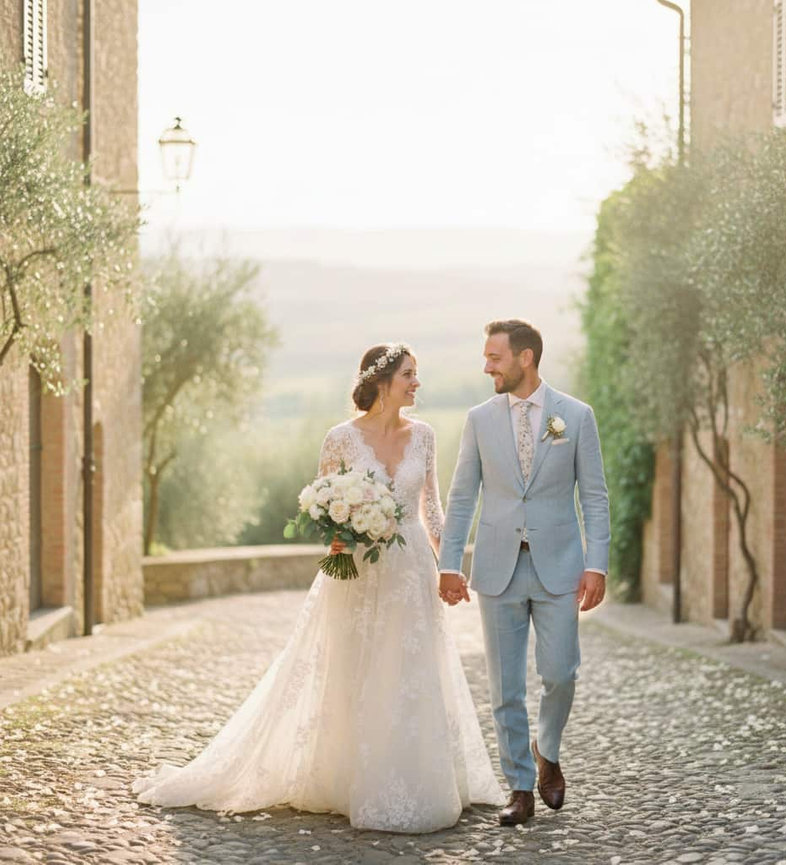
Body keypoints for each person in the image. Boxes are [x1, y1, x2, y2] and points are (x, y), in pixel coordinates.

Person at [133, 343, 504, 833]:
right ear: (381, 381)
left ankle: (415, 779)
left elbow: (431, 509)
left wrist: (450, 565)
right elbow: (322, 507)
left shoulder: (426, 436)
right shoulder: (340, 439)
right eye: (409, 375)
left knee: (410, 666)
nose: (417, 384)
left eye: (417, 375)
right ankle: (350, 777)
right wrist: (347, 529)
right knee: (353, 667)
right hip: (357, 570)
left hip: (412, 567)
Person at [438, 319, 610, 826]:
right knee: (504, 688)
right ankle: (519, 787)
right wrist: (451, 563)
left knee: (560, 673)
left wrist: (596, 562)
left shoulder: (576, 417)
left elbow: (594, 497)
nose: (486, 365)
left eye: (495, 357)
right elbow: (462, 495)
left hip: (561, 567)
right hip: (497, 568)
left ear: (526, 358)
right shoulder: (479, 419)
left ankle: (547, 748)